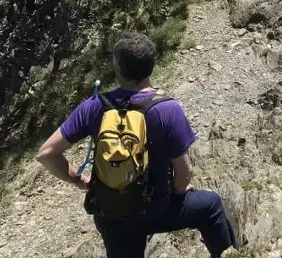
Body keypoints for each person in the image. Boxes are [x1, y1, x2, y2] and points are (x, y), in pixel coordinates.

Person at [34, 32, 238, 258]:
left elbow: (46, 154)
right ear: (151, 67)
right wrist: (178, 193)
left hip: (111, 214)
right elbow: (185, 172)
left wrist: (81, 181)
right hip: (157, 210)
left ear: (118, 68)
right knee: (210, 206)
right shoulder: (167, 109)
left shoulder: (94, 106)